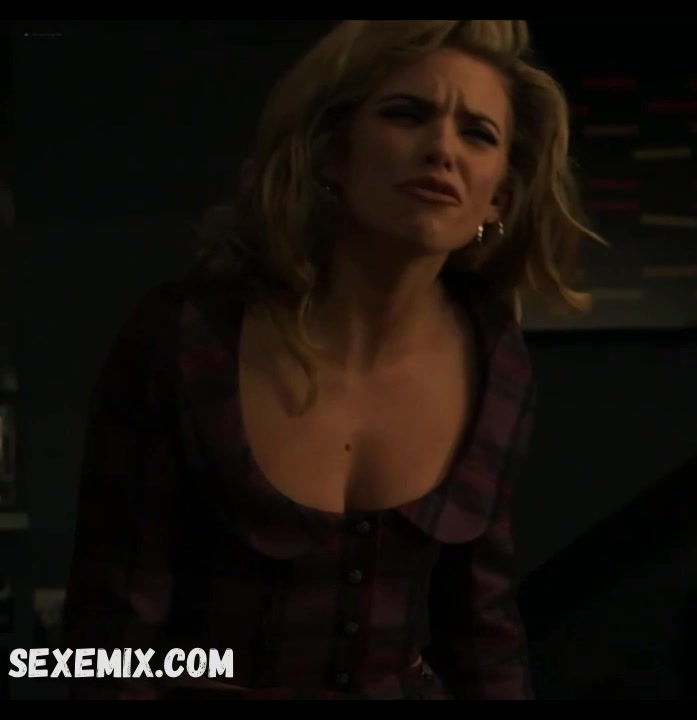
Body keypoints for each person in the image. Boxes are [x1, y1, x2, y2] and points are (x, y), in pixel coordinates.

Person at [61, 20, 599, 700]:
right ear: (329, 152)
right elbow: (108, 643)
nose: (442, 149)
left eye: (478, 134)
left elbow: (482, 631)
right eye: (406, 114)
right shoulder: (187, 338)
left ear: (498, 196)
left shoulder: (494, 358)